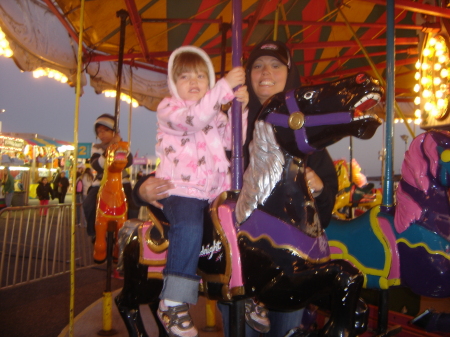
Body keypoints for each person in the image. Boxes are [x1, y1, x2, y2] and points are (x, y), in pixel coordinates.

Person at [133, 41, 338, 337]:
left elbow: (326, 202)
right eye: (257, 65)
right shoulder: (221, 113)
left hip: (288, 260)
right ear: (247, 75)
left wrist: (318, 189)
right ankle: (176, 297)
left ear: (289, 73)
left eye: (275, 65)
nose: (265, 71)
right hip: (239, 253)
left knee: (287, 329)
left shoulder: (303, 132)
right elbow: (183, 161)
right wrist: (142, 188)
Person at [151, 45, 248, 337]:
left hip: (213, 192)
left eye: (200, 76)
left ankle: (245, 287)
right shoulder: (169, 109)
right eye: (184, 77)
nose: (193, 82)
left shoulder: (215, 115)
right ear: (172, 83)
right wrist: (223, 88)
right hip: (180, 191)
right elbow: (195, 119)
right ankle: (173, 300)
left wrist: (238, 109)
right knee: (190, 227)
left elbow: (234, 141)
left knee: (242, 229)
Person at [82, 113, 133, 238]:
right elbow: (97, 165)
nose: (102, 134)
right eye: (99, 132)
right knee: (89, 203)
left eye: (106, 130)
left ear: (115, 132)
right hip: (101, 183)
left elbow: (128, 161)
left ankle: (130, 232)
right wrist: (109, 149)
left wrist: (118, 144)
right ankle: (93, 232)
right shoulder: (97, 149)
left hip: (122, 181)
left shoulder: (123, 146)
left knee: (132, 203)